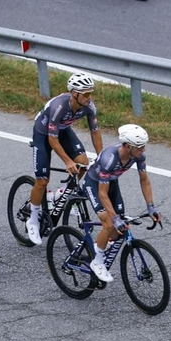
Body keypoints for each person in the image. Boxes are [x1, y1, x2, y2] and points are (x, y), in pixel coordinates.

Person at [24, 73, 103, 244]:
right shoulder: (59, 106)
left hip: (63, 130)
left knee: (83, 163)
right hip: (44, 134)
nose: (90, 97)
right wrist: (67, 161)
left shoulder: (89, 106)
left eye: (91, 93)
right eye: (86, 94)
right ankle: (33, 219)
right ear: (75, 93)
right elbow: (52, 139)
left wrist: (101, 156)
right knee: (42, 181)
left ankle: (60, 194)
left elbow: (95, 132)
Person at [78, 124, 159, 284]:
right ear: (128, 146)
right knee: (109, 223)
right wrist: (113, 219)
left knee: (120, 227)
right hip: (94, 185)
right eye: (140, 147)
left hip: (111, 183)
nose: (143, 150)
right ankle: (97, 262)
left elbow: (144, 180)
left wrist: (151, 206)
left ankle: (99, 245)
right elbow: (102, 194)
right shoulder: (110, 159)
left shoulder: (138, 156)